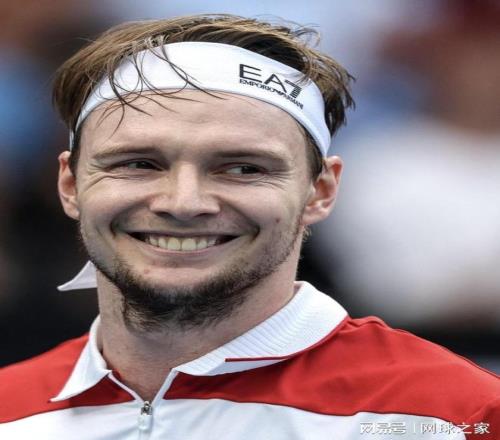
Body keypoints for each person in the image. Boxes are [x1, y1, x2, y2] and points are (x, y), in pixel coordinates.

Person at [0, 14, 498, 440]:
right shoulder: (9, 411)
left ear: (320, 191)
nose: (184, 202)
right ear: (70, 185)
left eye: (243, 168)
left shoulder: (455, 416)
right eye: (138, 163)